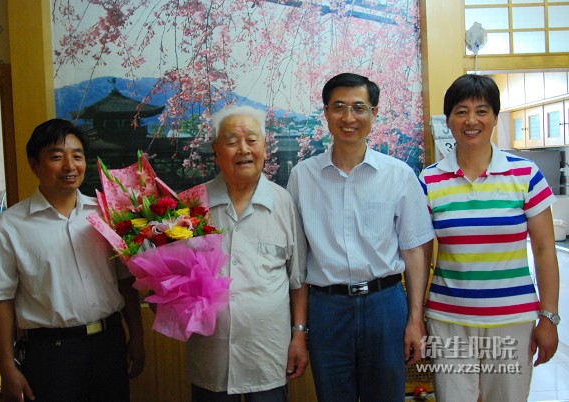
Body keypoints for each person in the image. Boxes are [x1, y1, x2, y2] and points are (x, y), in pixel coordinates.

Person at [286, 72, 435, 401]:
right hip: (327, 308)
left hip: (385, 305)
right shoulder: (302, 177)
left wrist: (415, 318)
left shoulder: (398, 175)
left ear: (374, 113)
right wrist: (299, 329)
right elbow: (299, 259)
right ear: (326, 112)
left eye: (359, 107)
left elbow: (414, 250)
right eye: (339, 107)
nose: (348, 117)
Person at [0, 118, 145, 402]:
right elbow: (1, 300)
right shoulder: (9, 226)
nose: (70, 166)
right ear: (34, 164)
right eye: (56, 157)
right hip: (51, 354)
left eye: (77, 156)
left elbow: (125, 281)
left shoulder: (106, 215)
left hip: (109, 344)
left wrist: (137, 337)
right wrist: (6, 368)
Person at [418, 74, 560, 402]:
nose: (471, 121)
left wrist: (549, 316)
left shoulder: (526, 174)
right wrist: (417, 317)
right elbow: (420, 257)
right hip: (449, 320)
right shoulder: (429, 181)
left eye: (482, 111)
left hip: (513, 319)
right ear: (448, 120)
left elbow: (544, 249)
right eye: (461, 111)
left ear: (495, 118)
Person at [184, 105, 308, 402]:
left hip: (268, 354)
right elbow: (174, 276)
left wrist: (299, 334)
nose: (243, 149)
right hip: (211, 355)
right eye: (231, 141)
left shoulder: (284, 203)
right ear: (216, 150)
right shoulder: (190, 204)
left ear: (265, 147)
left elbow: (298, 280)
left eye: (252, 140)